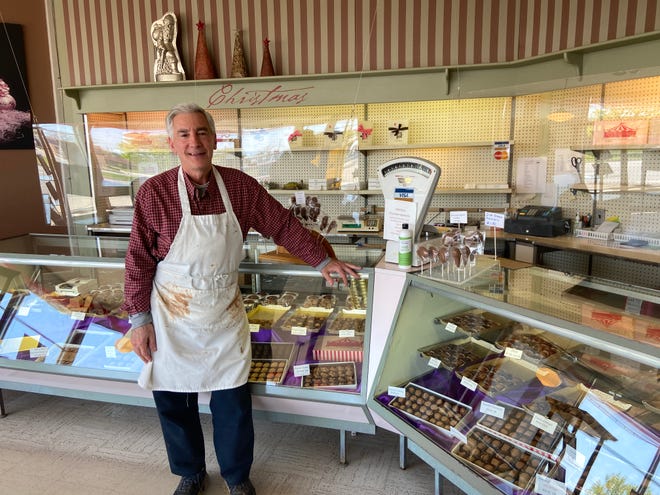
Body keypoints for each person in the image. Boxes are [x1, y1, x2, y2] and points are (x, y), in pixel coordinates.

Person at [123, 102, 360, 495]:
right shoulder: (154, 193)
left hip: (223, 311)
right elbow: (137, 260)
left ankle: (236, 476)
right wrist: (139, 320)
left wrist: (321, 260)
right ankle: (190, 472)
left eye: (201, 133)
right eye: (184, 134)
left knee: (232, 402)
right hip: (170, 312)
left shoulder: (240, 187)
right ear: (172, 143)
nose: (194, 142)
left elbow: (281, 225)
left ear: (215, 139)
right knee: (173, 399)